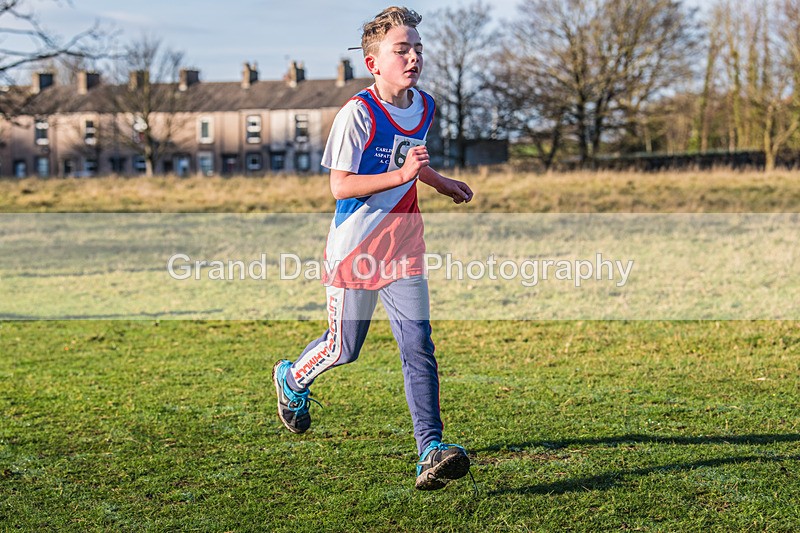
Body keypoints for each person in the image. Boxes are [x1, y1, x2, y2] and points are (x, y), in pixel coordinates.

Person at [272, 6, 474, 491]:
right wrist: (404, 176)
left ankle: (430, 450)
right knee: (344, 349)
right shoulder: (357, 114)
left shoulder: (423, 107)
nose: (413, 57)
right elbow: (340, 187)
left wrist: (439, 182)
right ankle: (292, 378)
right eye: (401, 49)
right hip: (355, 248)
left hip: (404, 244)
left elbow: (412, 160)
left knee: (417, 346)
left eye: (418, 49)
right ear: (373, 63)